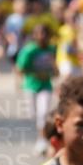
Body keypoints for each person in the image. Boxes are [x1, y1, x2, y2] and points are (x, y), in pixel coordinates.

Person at [16, 23, 57, 154]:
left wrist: (53, 66)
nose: (42, 36)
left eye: (45, 33)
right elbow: (20, 69)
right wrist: (34, 74)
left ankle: (42, 140)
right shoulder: (30, 51)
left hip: (46, 86)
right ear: (34, 36)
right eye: (39, 33)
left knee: (43, 113)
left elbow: (56, 71)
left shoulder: (51, 50)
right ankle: (39, 136)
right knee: (34, 114)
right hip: (31, 86)